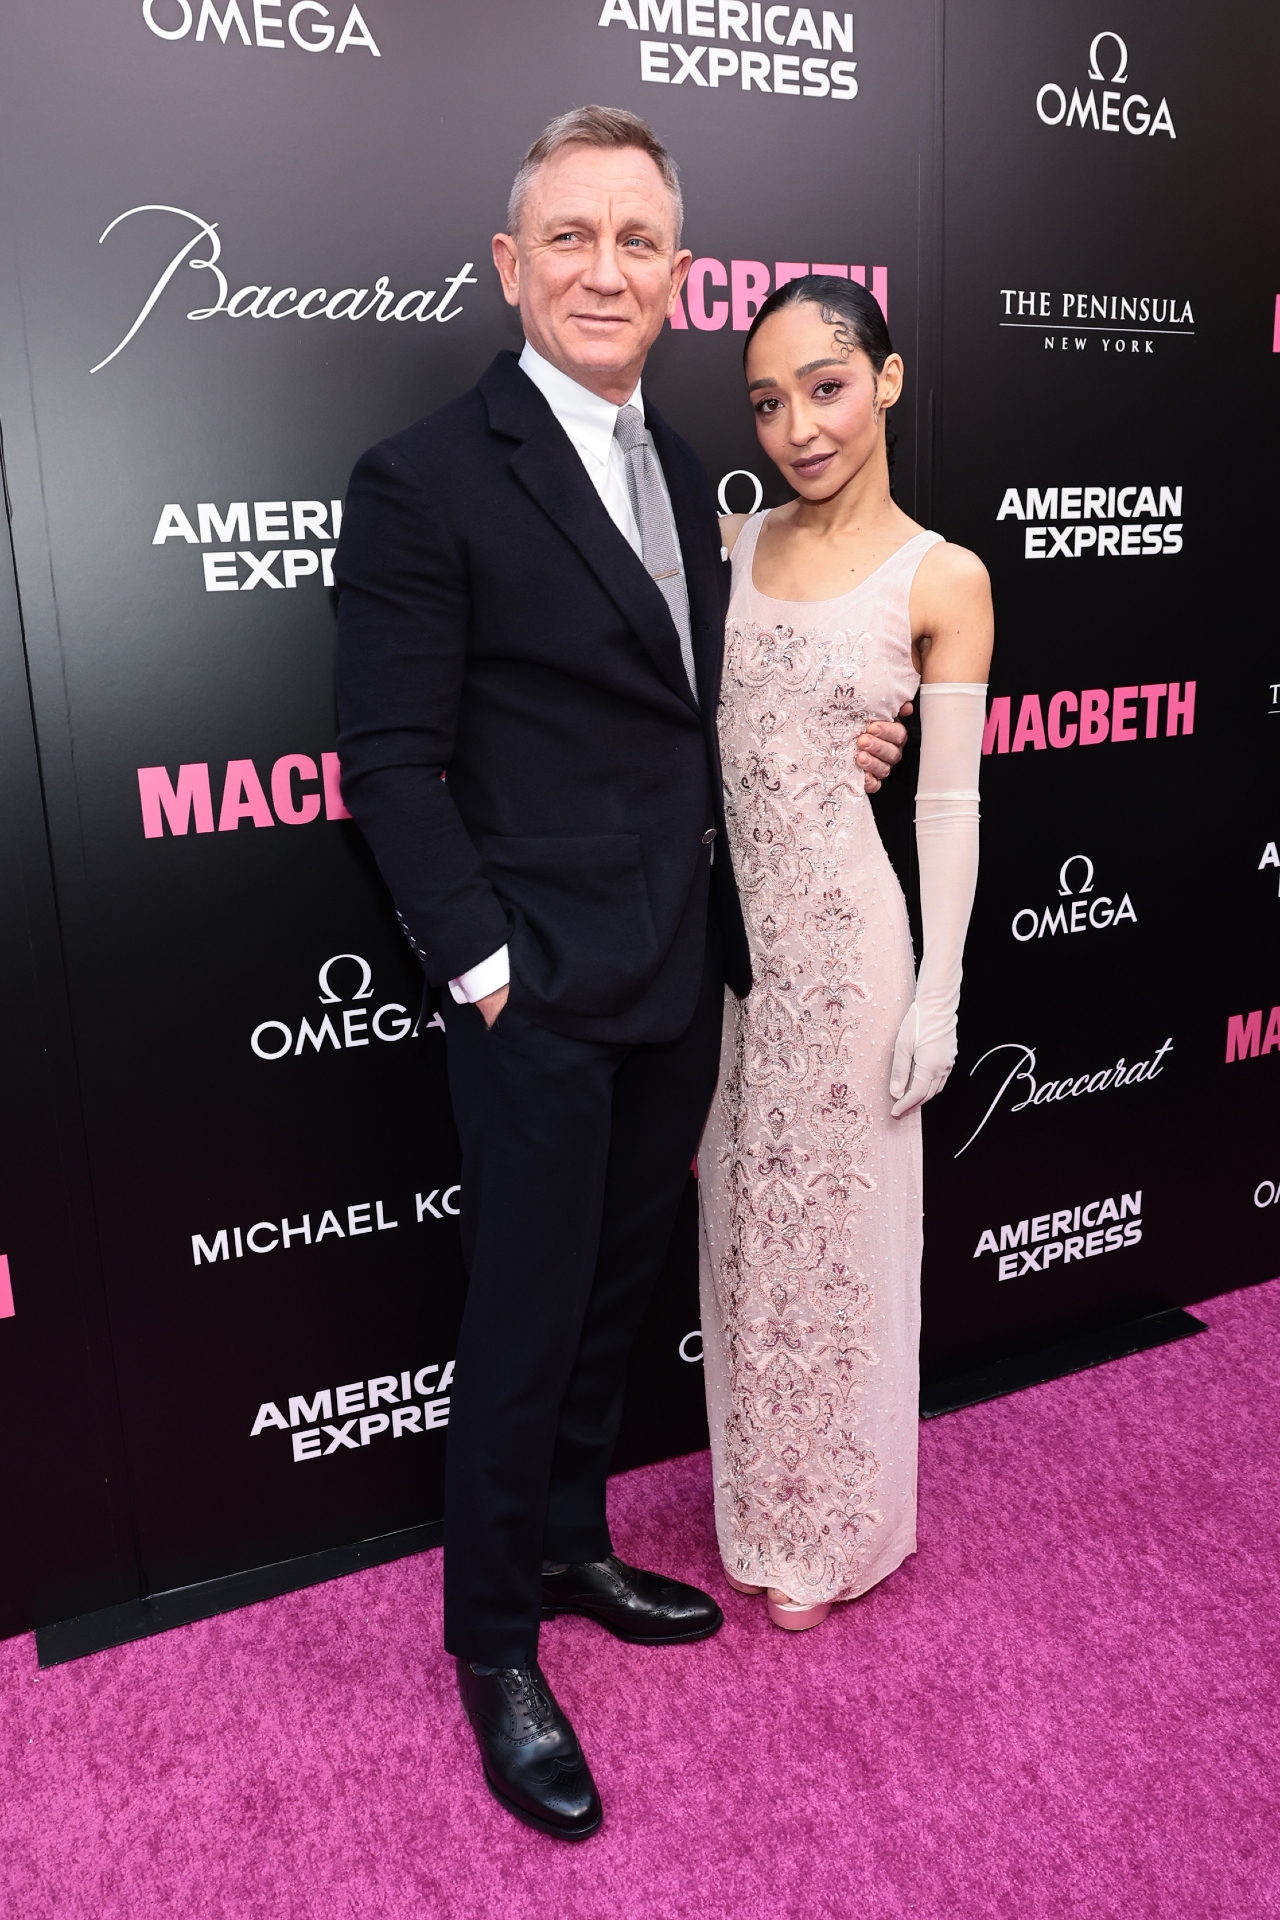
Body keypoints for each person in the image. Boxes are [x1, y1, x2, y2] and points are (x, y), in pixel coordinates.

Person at [334, 111, 907, 1840]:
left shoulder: (684, 467)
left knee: (606, 1298)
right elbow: (385, 763)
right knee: (517, 1323)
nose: (606, 268)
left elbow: (696, 716)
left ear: (679, 271)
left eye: (638, 240)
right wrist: (490, 969)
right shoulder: (426, 474)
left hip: (679, 980)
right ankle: (494, 1645)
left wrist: (839, 748)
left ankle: (574, 1542)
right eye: (570, 237)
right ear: (511, 268)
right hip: (541, 995)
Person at [698, 274, 992, 1633]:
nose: (797, 426)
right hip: (741, 967)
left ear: (884, 378)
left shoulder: (944, 577)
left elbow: (946, 800)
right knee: (755, 1235)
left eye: (825, 386)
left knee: (846, 1247)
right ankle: (759, 1503)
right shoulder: (736, 542)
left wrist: (938, 995)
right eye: (769, 400)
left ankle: (841, 1529)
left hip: (855, 953)